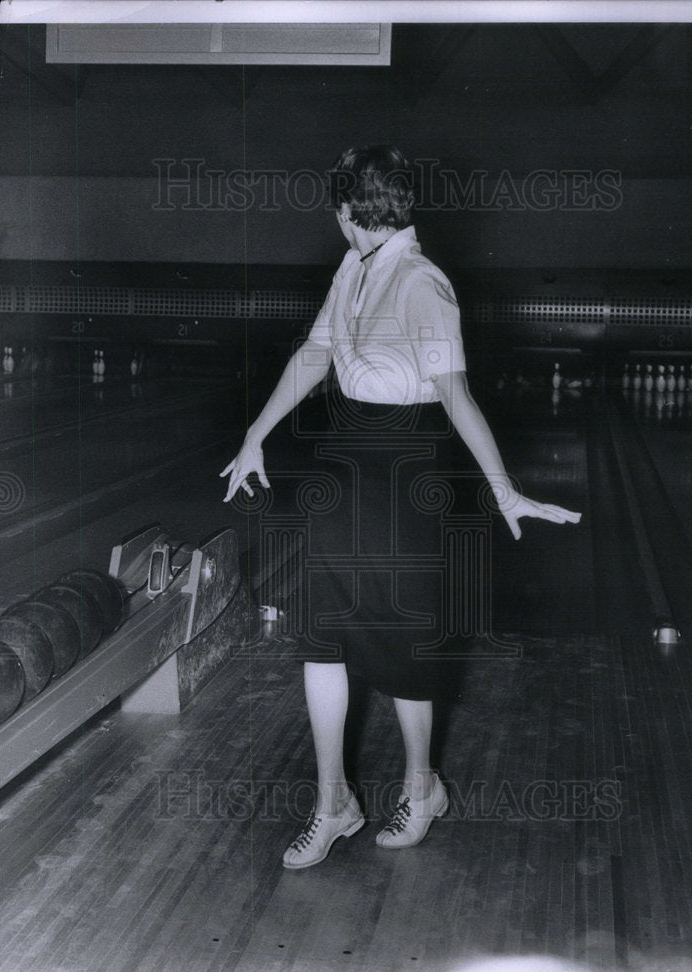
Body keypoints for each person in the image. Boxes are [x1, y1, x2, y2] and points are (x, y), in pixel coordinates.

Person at [221, 145, 581, 870]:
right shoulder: (352, 268)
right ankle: (333, 804)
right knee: (318, 636)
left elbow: (456, 396)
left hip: (406, 473)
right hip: (344, 465)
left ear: (348, 211)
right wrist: (256, 435)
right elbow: (315, 354)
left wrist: (502, 487)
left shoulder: (422, 284)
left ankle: (422, 788)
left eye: (336, 208)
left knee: (403, 647)